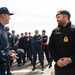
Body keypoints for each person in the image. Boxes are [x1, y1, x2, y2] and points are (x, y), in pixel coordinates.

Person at [48, 10, 75, 75]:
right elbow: (50, 47)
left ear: (65, 17)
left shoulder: (74, 30)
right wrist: (57, 60)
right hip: (59, 67)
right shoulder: (55, 31)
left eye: (58, 17)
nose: (57, 20)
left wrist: (70, 59)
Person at [0, 7, 17, 75]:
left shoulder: (2, 29)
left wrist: (9, 52)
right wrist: (9, 56)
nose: (10, 18)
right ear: (3, 15)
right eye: (8, 15)